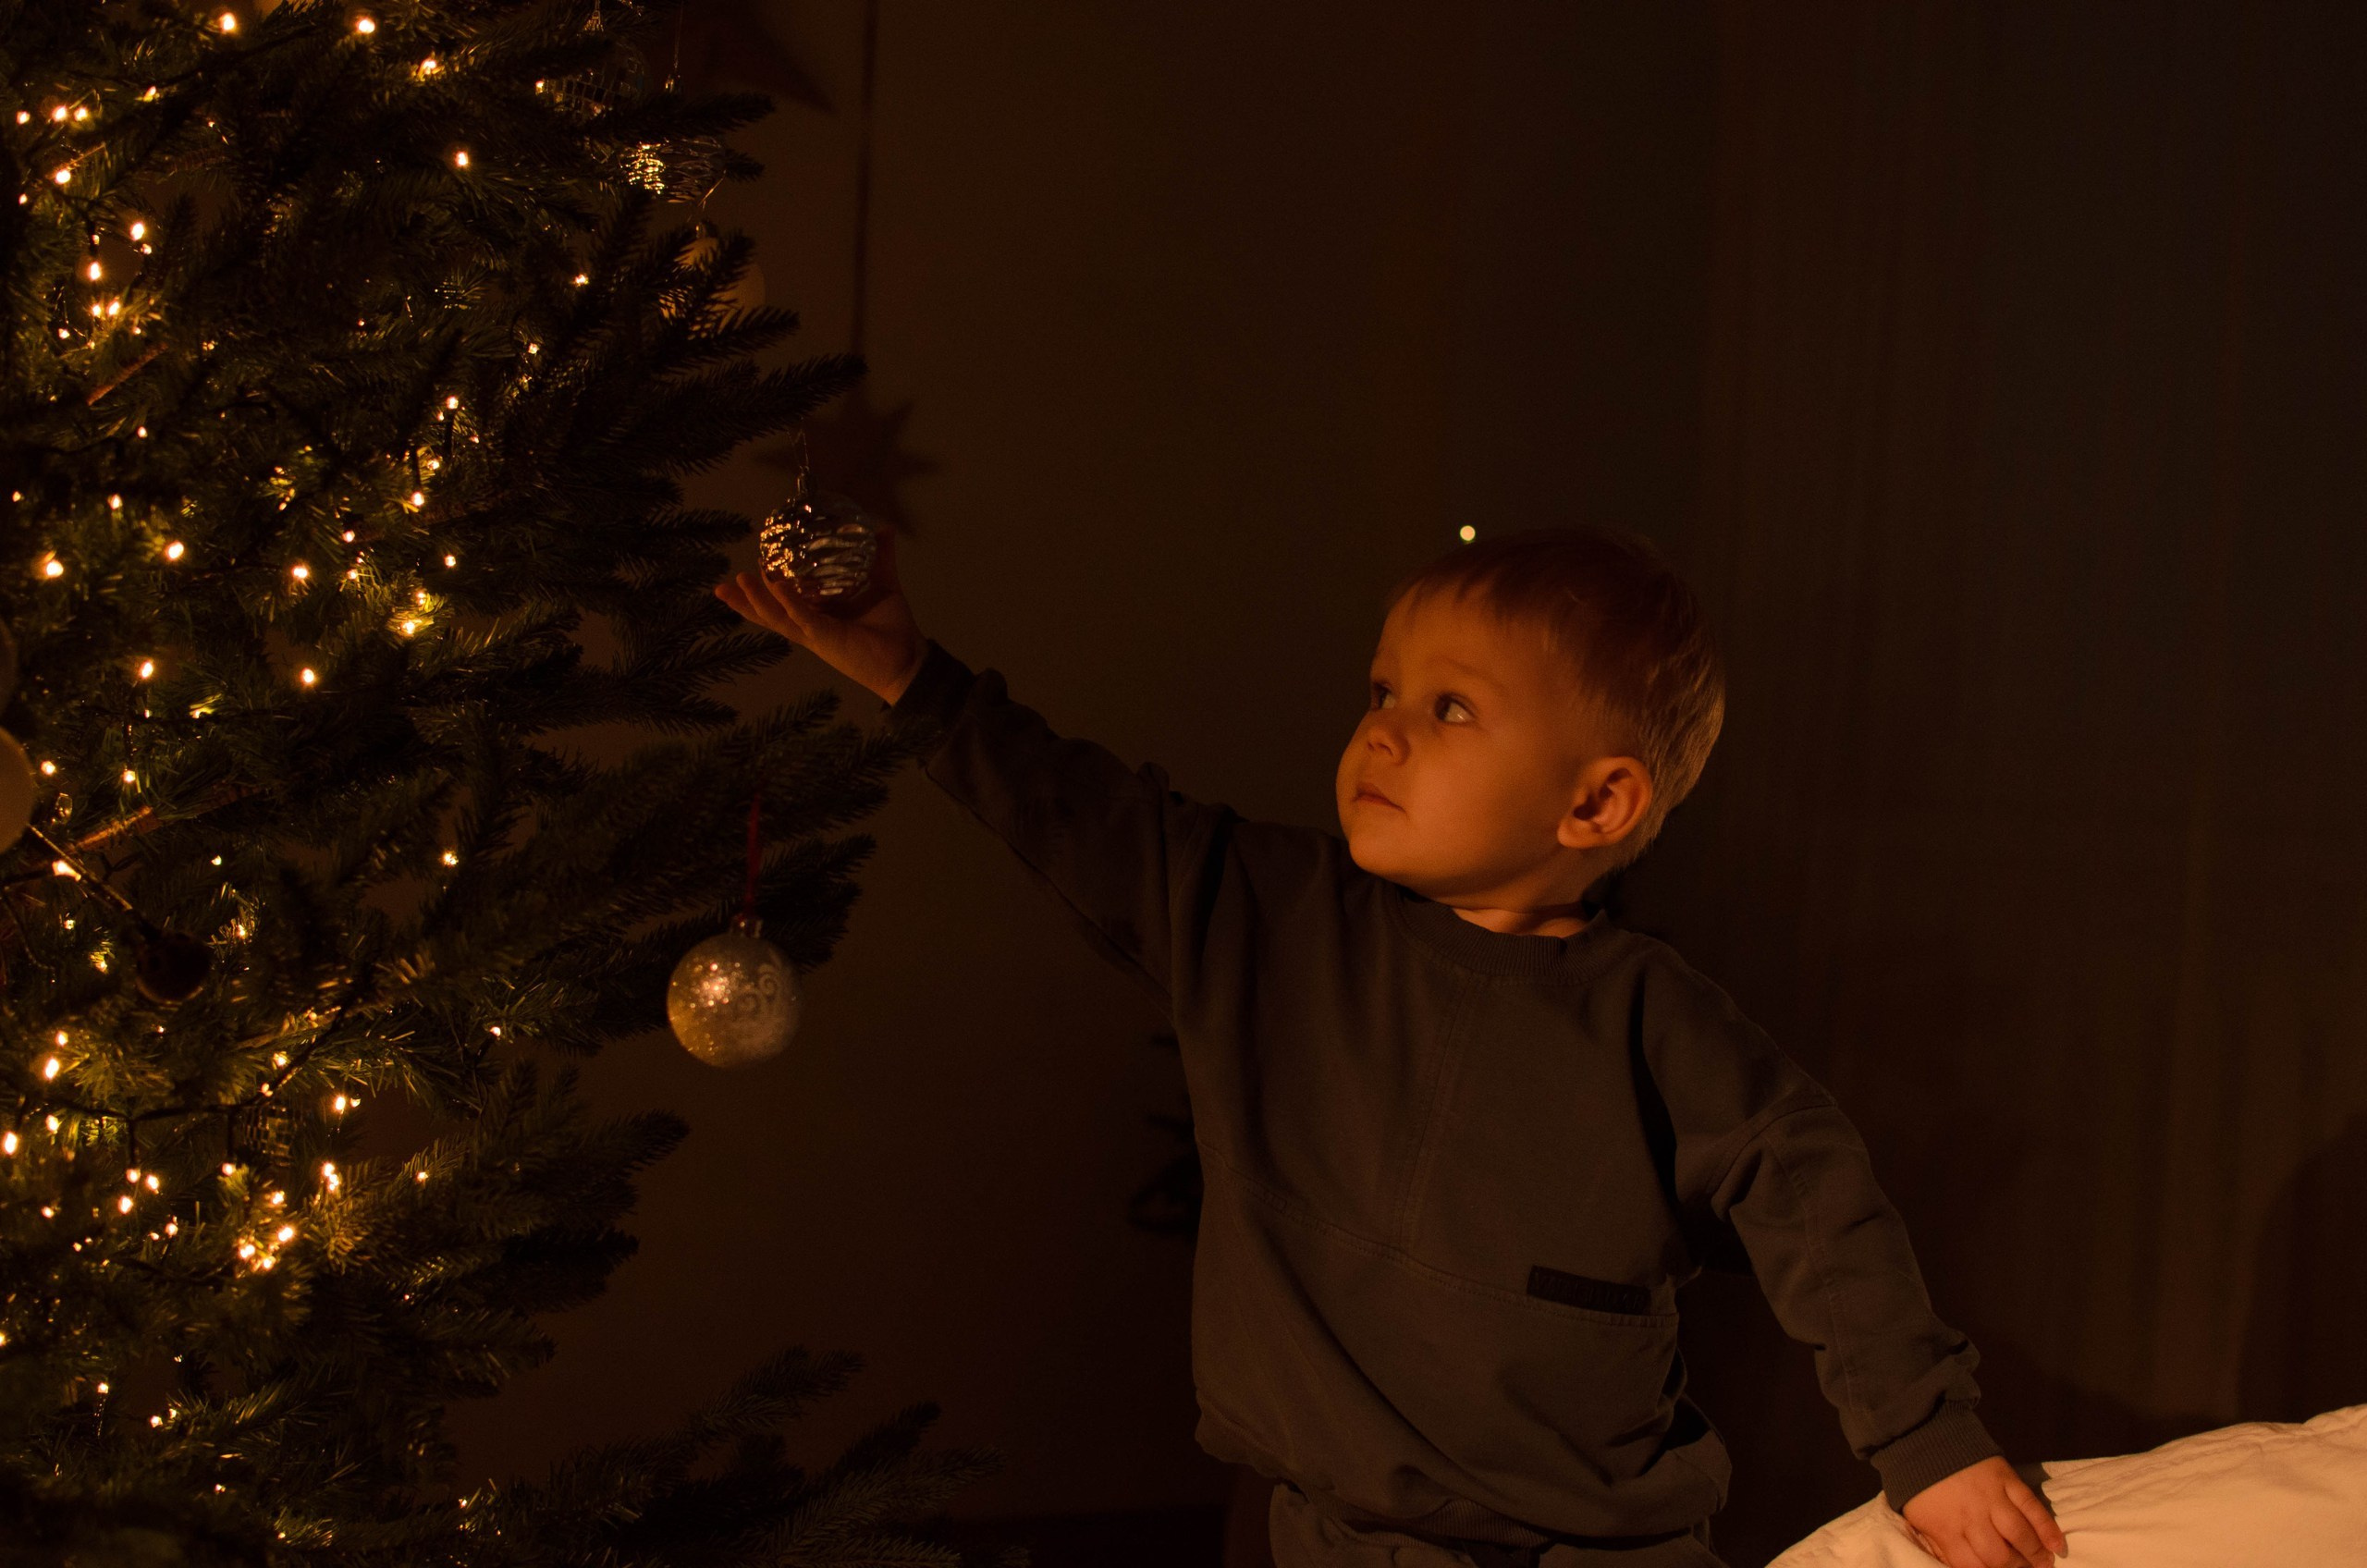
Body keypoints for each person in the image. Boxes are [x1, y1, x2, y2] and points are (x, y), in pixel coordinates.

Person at [717, 523, 2070, 1568]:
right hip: (1324, 1535)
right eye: (1383, 688)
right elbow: (1077, 812)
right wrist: (908, 672)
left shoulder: (1657, 1024)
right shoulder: (1266, 920)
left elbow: (1817, 1195)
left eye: (1451, 709)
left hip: (1600, 1547)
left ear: (1597, 802)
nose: (1382, 725)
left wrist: (1928, 1443)